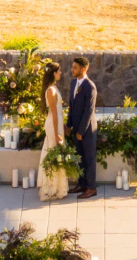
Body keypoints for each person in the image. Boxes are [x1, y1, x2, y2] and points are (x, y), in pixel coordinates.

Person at [67, 56, 98, 199]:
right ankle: (82, 184)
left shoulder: (90, 86)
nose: (72, 70)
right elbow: (71, 106)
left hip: (87, 130)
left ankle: (91, 188)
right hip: (76, 128)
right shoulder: (74, 83)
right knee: (80, 158)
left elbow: (88, 111)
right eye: (72, 67)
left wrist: (81, 131)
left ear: (83, 69)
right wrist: (69, 125)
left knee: (89, 159)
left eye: (75, 67)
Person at [38, 59, 69, 201]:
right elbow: (54, 113)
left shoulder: (54, 88)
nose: (61, 73)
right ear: (54, 73)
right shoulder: (51, 90)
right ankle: (50, 187)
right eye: (59, 71)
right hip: (53, 125)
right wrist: (57, 133)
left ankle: (57, 187)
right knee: (53, 151)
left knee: (57, 153)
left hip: (57, 124)